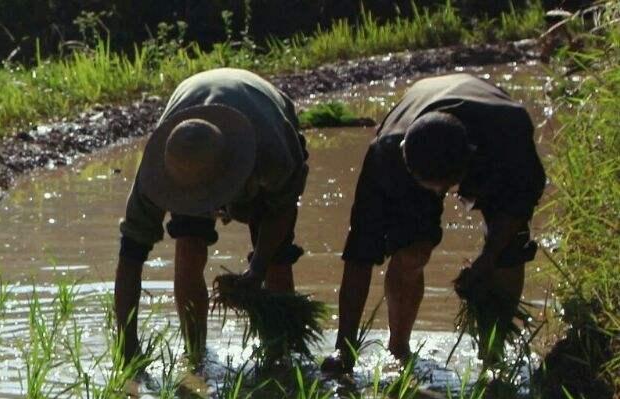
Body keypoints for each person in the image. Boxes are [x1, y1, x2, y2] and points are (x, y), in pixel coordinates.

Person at [321, 73, 546, 373]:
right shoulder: (386, 157)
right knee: (412, 250)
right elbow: (360, 254)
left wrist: (487, 259)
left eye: (447, 185)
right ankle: (398, 347)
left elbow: (517, 210)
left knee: (510, 248)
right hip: (416, 121)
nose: (442, 195)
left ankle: (493, 354)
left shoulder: (509, 136)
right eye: (434, 189)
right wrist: (343, 350)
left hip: (488, 129)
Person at [114, 68, 308, 363]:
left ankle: (280, 354)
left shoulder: (272, 152)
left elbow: (281, 210)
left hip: (260, 109)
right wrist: (127, 348)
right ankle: (195, 353)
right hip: (191, 120)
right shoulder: (166, 168)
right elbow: (130, 256)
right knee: (189, 245)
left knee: (276, 260)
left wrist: (258, 267)